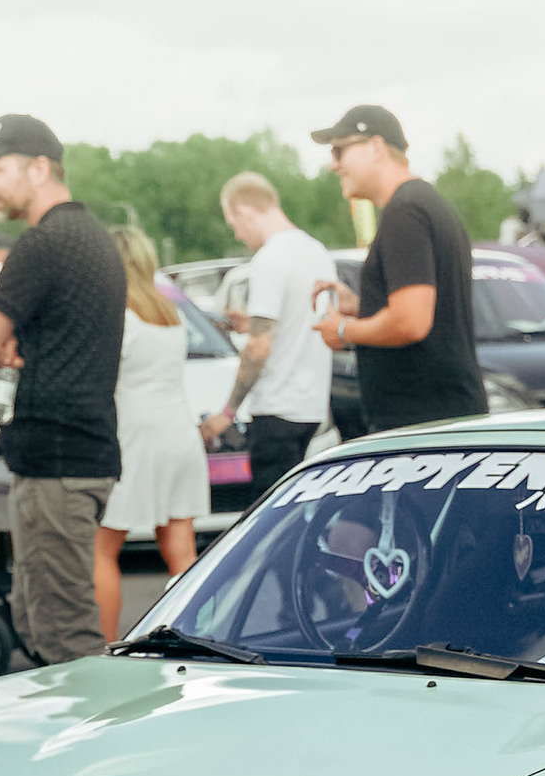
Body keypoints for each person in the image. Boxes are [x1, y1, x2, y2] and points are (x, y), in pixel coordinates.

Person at [0, 111, 124, 666]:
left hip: (57, 466)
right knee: (38, 623)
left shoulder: (43, 244)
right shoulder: (94, 238)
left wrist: (0, 341)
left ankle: (96, 724)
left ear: (40, 168)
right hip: (79, 457)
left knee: (65, 638)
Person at [308, 105, 486, 428]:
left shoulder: (405, 212)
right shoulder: (422, 203)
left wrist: (344, 330)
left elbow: (410, 322)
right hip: (440, 417)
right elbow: (430, 315)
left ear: (376, 147)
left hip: (421, 424)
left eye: (339, 151)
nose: (334, 165)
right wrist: (362, 307)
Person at [94, 227, 206, 644]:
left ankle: (101, 647)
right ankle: (193, 638)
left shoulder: (118, 315)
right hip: (179, 431)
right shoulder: (170, 312)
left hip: (135, 436)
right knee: (181, 548)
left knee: (101, 547)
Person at [202, 170, 334, 494]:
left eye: (233, 223)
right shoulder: (317, 251)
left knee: (269, 513)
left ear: (245, 212)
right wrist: (251, 323)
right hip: (312, 409)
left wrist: (227, 412)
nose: (237, 234)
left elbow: (259, 347)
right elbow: (306, 321)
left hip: (276, 409)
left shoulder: (270, 258)